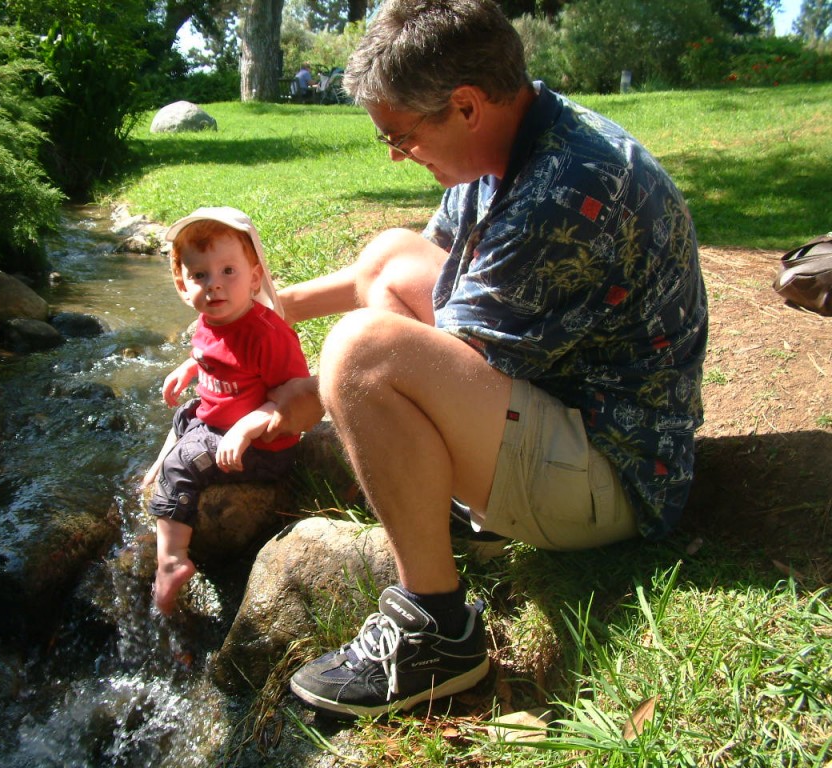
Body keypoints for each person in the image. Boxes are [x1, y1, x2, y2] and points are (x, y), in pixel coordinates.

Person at [265, 0, 708, 718]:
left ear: (464, 105)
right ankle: (462, 523)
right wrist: (272, 309)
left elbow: (435, 360)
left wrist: (299, 398)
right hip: (567, 405)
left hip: (617, 475)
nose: (395, 153)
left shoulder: (569, 187)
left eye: (401, 136)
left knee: (360, 355)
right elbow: (405, 270)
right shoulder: (510, 141)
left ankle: (436, 634)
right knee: (392, 253)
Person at [141, 206, 310, 616]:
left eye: (228, 272)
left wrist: (247, 429)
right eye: (200, 276)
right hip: (220, 416)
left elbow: (294, 396)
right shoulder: (211, 318)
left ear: (254, 278)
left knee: (184, 461)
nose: (214, 286)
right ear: (183, 285)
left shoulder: (268, 335)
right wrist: (188, 368)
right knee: (184, 415)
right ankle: (161, 474)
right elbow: (211, 353)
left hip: (263, 444)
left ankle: (172, 561)